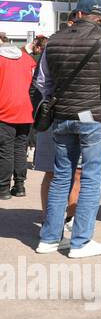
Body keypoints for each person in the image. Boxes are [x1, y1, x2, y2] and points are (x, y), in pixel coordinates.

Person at [33, 0, 101, 257]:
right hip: (92, 116)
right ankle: (81, 242)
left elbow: (42, 82)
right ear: (100, 17)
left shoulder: (53, 40)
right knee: (90, 177)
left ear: (77, 14)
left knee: (61, 176)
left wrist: (58, 100)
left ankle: (49, 238)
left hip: (62, 115)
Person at [0, 32, 36, 200]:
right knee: (20, 149)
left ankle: (3, 188)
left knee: (5, 150)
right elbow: (35, 84)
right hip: (25, 109)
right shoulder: (27, 59)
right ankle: (20, 185)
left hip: (4, 110)